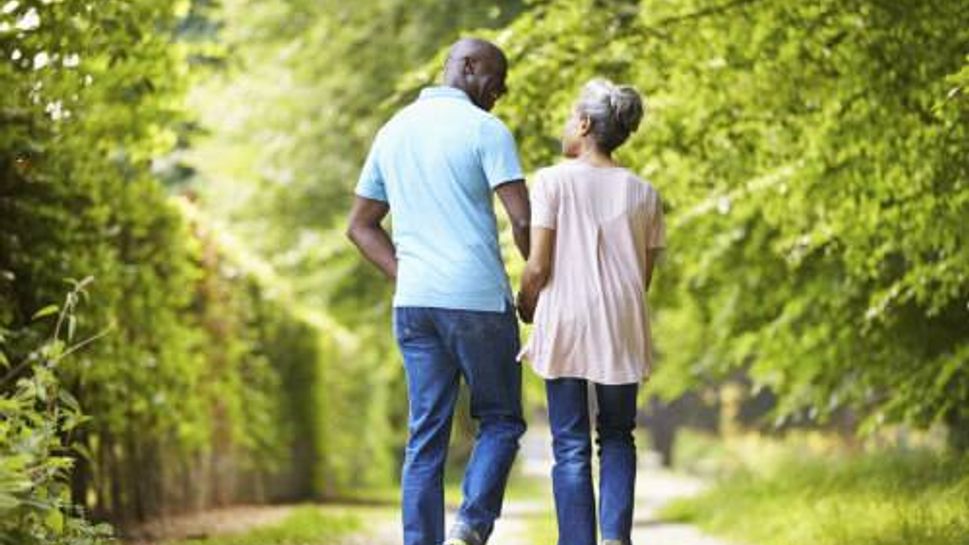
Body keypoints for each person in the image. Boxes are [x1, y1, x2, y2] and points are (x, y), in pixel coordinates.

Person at [346, 38, 530, 545]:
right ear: (467, 67)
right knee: (501, 419)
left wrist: (405, 275)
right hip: (477, 304)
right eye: (496, 78)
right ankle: (470, 526)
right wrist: (539, 276)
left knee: (424, 435)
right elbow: (521, 216)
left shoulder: (394, 130)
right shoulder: (485, 130)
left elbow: (361, 226)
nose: (502, 90)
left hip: (415, 305)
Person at [517, 79, 664, 545]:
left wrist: (525, 303)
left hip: (566, 318)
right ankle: (616, 538)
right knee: (618, 434)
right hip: (622, 318)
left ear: (583, 124)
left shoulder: (552, 181)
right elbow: (643, 274)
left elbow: (538, 265)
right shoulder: (644, 193)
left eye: (568, 117)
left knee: (571, 443)